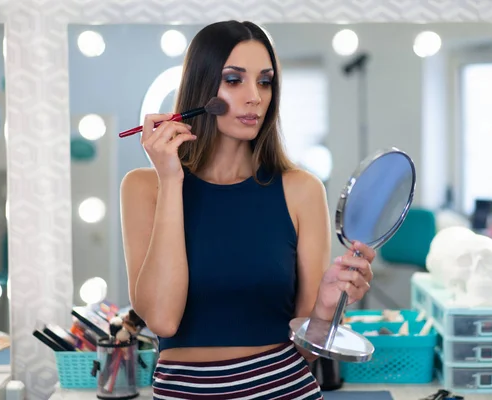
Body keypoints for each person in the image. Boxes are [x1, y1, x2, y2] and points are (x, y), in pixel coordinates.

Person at [120, 20, 375, 400]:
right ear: (201, 87)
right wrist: (172, 180)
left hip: (286, 388)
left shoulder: (301, 190)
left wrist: (325, 309)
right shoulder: (145, 187)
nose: (255, 96)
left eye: (265, 81)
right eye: (235, 80)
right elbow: (162, 319)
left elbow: (305, 346)